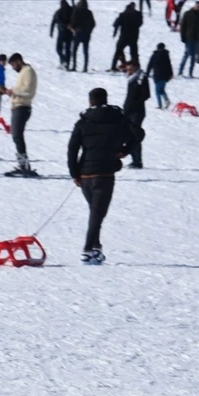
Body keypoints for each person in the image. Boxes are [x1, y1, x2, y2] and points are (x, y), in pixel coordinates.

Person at [67, 87, 133, 264]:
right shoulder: (118, 119)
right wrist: (125, 150)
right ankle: (88, 249)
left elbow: (72, 148)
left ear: (90, 101)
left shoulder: (83, 121)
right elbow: (138, 134)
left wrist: (74, 172)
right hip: (105, 173)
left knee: (96, 213)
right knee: (97, 213)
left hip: (86, 174)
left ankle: (96, 248)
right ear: (106, 100)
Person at [2, 53, 37, 176]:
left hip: (22, 107)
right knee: (17, 136)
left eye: (13, 64)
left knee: (17, 135)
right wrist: (9, 92)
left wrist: (13, 91)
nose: (13, 67)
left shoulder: (27, 71)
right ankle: (23, 164)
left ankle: (24, 165)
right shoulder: (24, 71)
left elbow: (28, 91)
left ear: (18, 61)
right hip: (19, 107)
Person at [122, 60, 147, 168]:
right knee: (128, 135)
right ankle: (134, 159)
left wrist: (134, 104)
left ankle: (138, 161)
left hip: (137, 112)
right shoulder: (131, 78)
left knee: (135, 136)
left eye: (130, 68)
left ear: (136, 67)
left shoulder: (141, 78)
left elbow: (146, 94)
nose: (128, 70)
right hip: (128, 111)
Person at [110, 1, 142, 72]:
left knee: (118, 51)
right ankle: (136, 66)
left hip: (123, 37)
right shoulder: (137, 14)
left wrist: (114, 33)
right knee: (134, 53)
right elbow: (140, 23)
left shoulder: (123, 14)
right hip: (133, 37)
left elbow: (116, 24)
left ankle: (113, 66)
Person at [69, 0, 95, 72]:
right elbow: (93, 24)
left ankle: (74, 66)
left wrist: (74, 28)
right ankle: (85, 68)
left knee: (74, 50)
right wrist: (89, 32)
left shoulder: (77, 11)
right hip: (86, 35)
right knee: (85, 52)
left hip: (78, 34)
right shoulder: (89, 12)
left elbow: (73, 22)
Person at [177, 0, 199, 76]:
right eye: (197, 6)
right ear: (194, 6)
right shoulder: (187, 14)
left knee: (193, 57)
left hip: (196, 38)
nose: (198, 7)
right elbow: (183, 26)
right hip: (189, 37)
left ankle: (190, 72)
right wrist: (182, 37)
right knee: (187, 54)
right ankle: (180, 70)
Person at [146, 42, 172, 108]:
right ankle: (166, 100)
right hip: (165, 76)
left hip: (158, 76)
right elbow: (169, 66)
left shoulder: (155, 55)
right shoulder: (166, 55)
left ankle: (160, 105)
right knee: (162, 90)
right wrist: (170, 74)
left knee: (158, 92)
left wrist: (147, 73)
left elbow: (150, 65)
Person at [50, 1, 73, 69]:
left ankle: (63, 60)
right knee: (67, 49)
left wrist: (51, 32)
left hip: (62, 32)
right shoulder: (72, 10)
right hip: (70, 33)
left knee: (58, 48)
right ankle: (67, 65)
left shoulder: (59, 11)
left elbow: (53, 21)